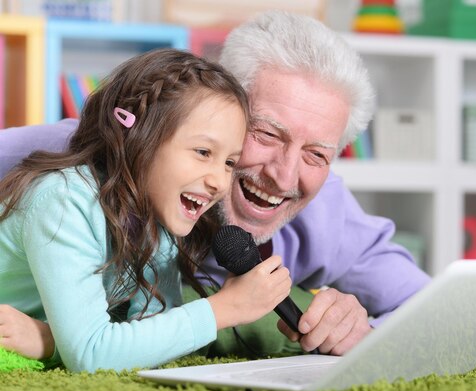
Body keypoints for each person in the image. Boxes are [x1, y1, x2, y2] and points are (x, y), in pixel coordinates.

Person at [0, 11, 431, 360]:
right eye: (266, 134)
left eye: (316, 153)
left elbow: (429, 308)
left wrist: (362, 329)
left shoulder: (325, 210)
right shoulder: (82, 160)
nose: (283, 176)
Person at [0, 48, 295, 372]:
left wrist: (51, 341)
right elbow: (91, 355)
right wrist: (224, 309)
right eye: (202, 151)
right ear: (138, 139)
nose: (220, 182)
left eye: (229, 163)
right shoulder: (64, 202)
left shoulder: (158, 213)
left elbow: (151, 330)